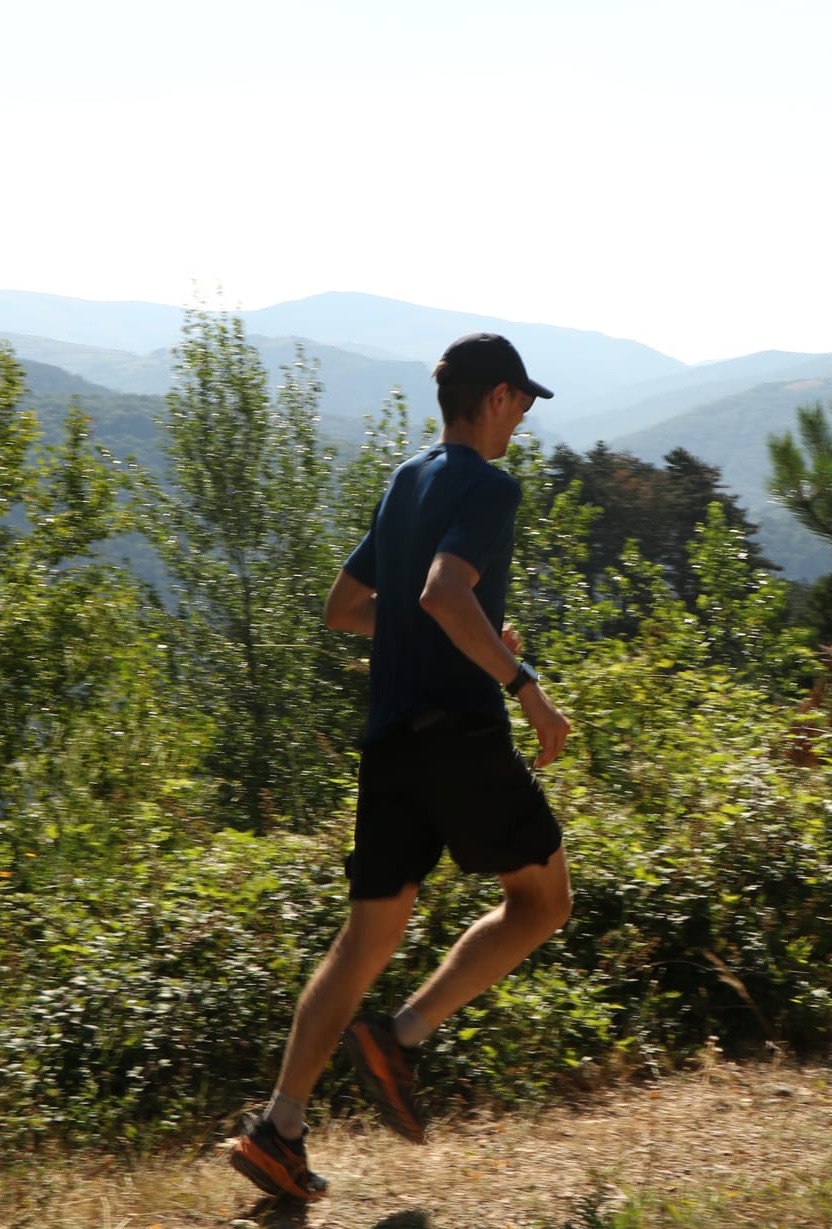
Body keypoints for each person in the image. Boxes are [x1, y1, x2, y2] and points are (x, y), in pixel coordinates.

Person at [231, 332, 575, 1203]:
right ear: (497, 396)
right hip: (458, 734)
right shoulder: (490, 486)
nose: (526, 417)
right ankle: (406, 1033)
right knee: (542, 901)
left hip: (387, 745)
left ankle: (280, 1129)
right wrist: (522, 683)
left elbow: (346, 607)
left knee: (365, 937)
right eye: (524, 400)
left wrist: (462, 636)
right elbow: (441, 592)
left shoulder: (404, 480)